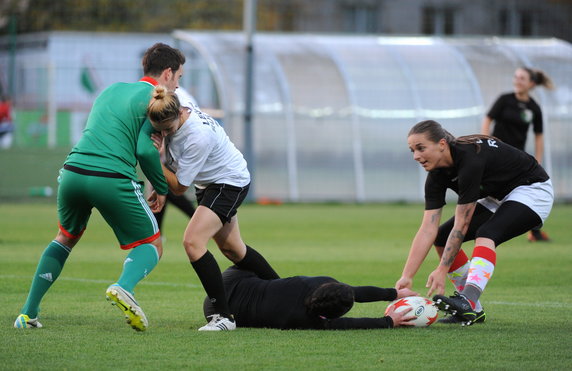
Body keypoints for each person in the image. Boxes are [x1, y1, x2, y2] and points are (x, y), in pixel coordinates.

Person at [14, 43, 186, 331]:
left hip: (72, 172)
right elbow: (145, 150)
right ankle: (124, 287)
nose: (179, 83)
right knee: (152, 244)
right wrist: (162, 188)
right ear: (168, 73)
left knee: (64, 238)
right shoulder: (157, 99)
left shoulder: (110, 90)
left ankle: (27, 314)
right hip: (111, 177)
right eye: (180, 77)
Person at [147, 86, 279, 331]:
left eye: (168, 129)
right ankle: (283, 291)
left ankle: (224, 317)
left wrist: (154, 161)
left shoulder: (197, 136)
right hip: (209, 183)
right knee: (234, 250)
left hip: (228, 182)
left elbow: (178, 187)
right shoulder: (176, 102)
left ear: (179, 114)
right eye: (160, 130)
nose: (164, 134)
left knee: (192, 242)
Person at [395, 120, 553, 325]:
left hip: (532, 189)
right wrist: (407, 276)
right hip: (496, 196)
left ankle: (468, 299)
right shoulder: (436, 175)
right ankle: (472, 311)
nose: (416, 156)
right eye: (412, 151)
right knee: (441, 237)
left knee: (487, 233)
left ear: (442, 144)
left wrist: (442, 269)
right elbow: (427, 229)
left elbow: (462, 223)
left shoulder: (469, 159)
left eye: (421, 148)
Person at [202, 265, 418, 330]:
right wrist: (389, 320)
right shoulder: (308, 321)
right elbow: (351, 323)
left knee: (252, 264)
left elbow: (355, 292)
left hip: (226, 286)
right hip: (214, 312)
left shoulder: (311, 282)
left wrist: (394, 294)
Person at [481, 67, 554, 242]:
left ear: (531, 84)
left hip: (517, 161)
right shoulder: (504, 100)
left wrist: (537, 160)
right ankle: (477, 223)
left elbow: (539, 136)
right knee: (487, 190)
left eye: (522, 78)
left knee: (523, 192)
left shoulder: (534, 108)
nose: (517, 81)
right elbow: (488, 119)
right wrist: (485, 142)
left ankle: (534, 232)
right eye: (516, 77)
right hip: (496, 155)